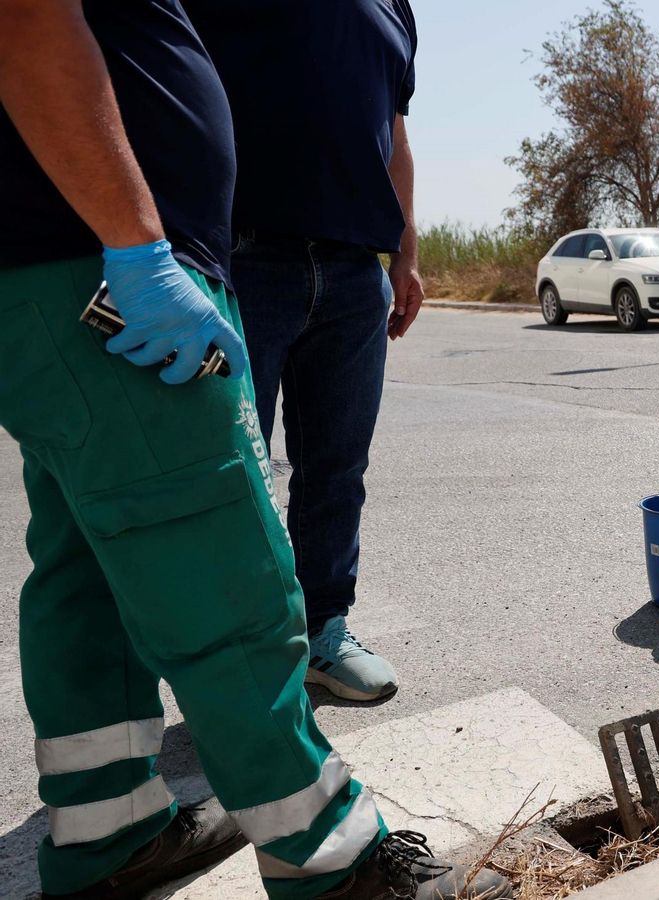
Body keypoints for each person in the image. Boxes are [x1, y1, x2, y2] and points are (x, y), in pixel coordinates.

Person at [0, 2, 507, 897]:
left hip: (68, 265)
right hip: (102, 258)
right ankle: (331, 856)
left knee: (87, 565)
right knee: (221, 561)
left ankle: (107, 831)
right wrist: (135, 241)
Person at [182, 0, 425, 703]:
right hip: (239, 258)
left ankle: (324, 633)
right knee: (228, 475)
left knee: (336, 469)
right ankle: (236, 662)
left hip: (354, 272)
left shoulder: (396, 8)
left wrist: (405, 251)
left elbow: (396, 139)